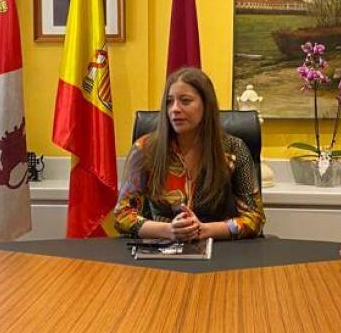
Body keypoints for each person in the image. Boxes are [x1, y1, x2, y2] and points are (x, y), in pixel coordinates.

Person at [113, 67, 265, 240]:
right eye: (169, 102)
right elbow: (122, 216)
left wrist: (204, 230)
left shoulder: (234, 149)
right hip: (162, 248)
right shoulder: (145, 149)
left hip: (219, 250)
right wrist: (169, 230)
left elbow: (255, 218)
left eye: (185, 101)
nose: (175, 109)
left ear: (206, 105)